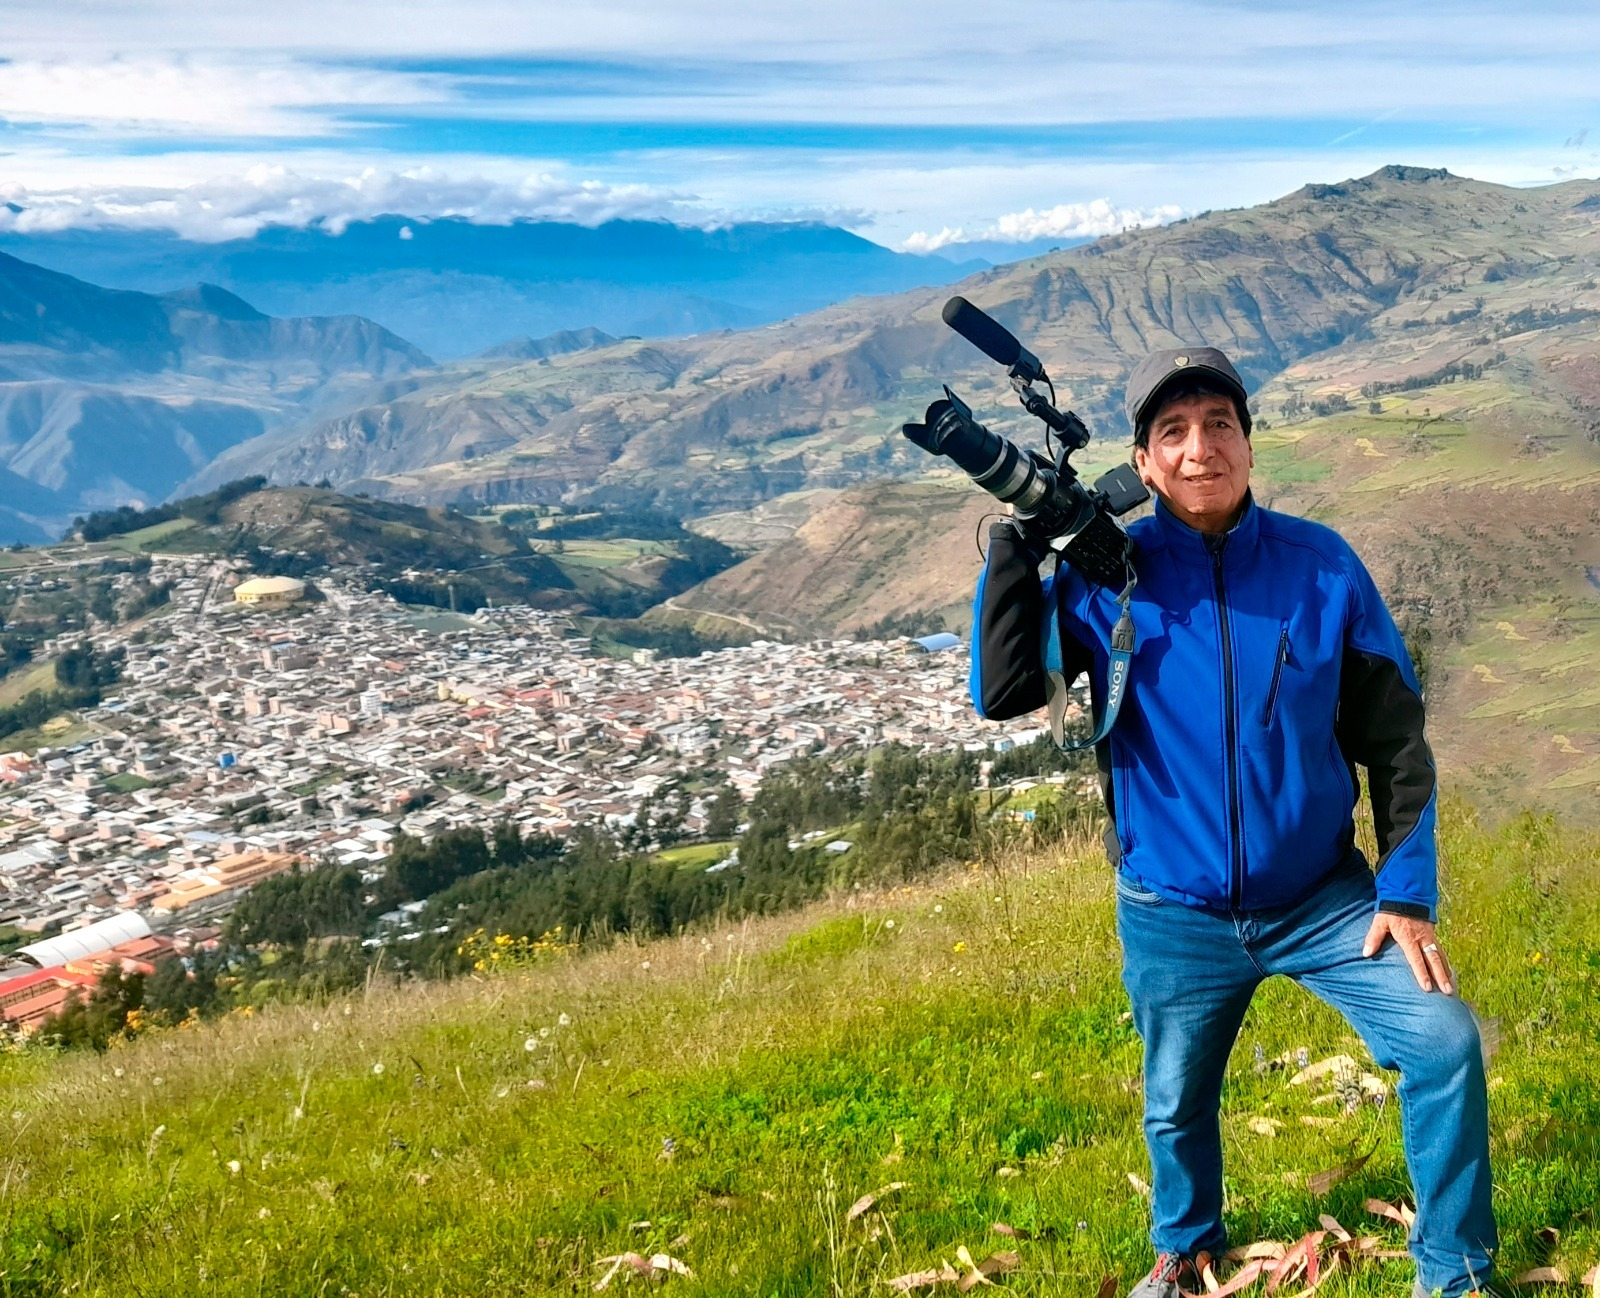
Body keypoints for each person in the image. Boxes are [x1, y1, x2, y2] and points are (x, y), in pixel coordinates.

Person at [968, 347, 1498, 1298]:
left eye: (1219, 424)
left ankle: (1454, 1274)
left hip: (1324, 898)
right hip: (1172, 909)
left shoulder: (1321, 568)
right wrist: (1016, 550)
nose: (1199, 448)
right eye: (1172, 432)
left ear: (1250, 446)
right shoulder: (1107, 576)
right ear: (1142, 463)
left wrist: (1406, 891)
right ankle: (1186, 1248)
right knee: (1175, 1104)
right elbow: (1003, 692)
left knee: (1443, 1041)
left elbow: (1397, 739)